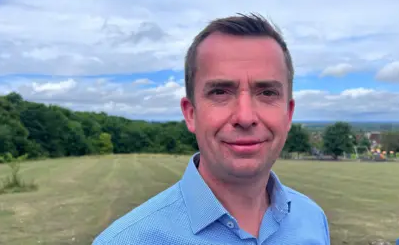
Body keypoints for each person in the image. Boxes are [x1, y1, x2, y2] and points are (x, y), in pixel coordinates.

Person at [92, 13, 331, 245]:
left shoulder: (312, 220)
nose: (245, 117)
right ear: (191, 113)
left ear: (288, 114)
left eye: (267, 93)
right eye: (220, 92)